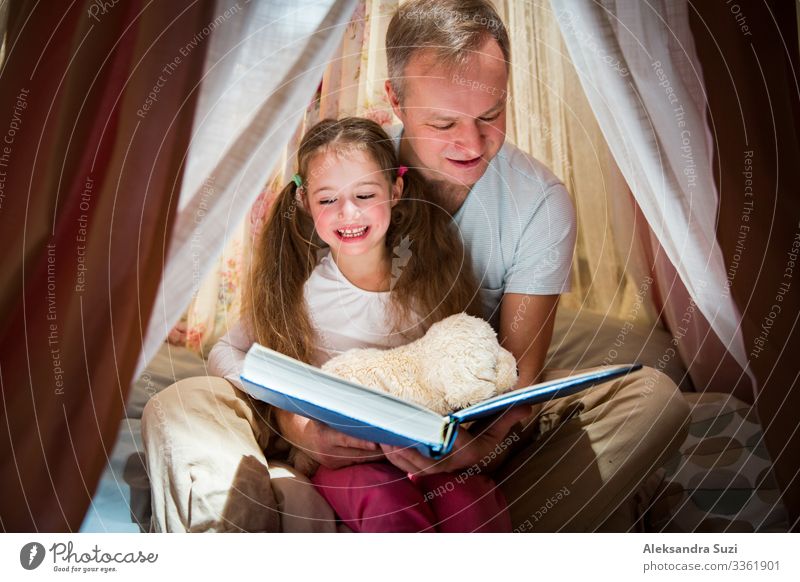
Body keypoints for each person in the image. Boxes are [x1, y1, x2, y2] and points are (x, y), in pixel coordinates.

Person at [142, 0, 691, 532]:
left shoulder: (538, 202)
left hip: (457, 433)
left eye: (491, 114)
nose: (471, 143)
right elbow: (269, 341)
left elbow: (516, 384)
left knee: (653, 400)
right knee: (180, 405)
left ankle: (458, 532)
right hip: (317, 415)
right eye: (443, 121)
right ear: (395, 100)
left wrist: (466, 457)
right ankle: (249, 537)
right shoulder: (348, 177)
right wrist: (300, 428)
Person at [243, 116, 514, 532]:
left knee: (470, 501)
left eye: (365, 194)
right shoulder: (303, 291)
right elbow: (230, 353)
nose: (348, 213)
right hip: (350, 459)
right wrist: (297, 427)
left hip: (422, 453)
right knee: (385, 502)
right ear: (303, 202)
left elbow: (452, 368)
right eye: (327, 199)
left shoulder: (429, 283)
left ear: (396, 191)